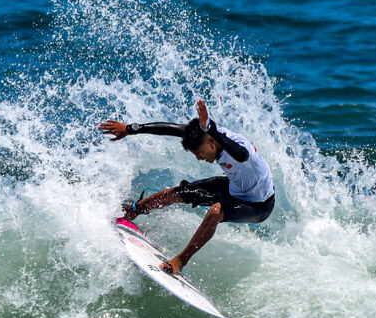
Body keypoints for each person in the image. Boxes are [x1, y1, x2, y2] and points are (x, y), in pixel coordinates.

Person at [98, 100, 275, 275]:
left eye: (199, 153)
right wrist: (130, 129)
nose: (199, 158)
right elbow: (171, 129)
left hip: (258, 205)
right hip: (234, 187)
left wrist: (211, 129)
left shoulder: (237, 146)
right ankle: (133, 211)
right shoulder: (203, 135)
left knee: (215, 212)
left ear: (212, 142)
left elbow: (242, 155)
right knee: (175, 193)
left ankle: (180, 261)